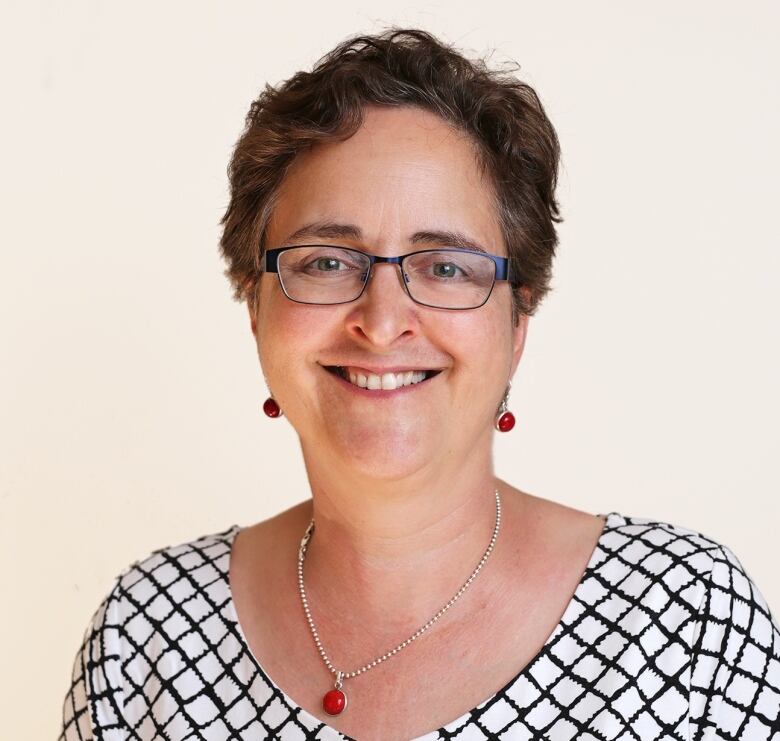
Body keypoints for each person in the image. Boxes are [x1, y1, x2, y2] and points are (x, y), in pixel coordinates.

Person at [60, 28, 780, 741]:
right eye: (327, 262)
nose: (382, 321)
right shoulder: (144, 638)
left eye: (444, 267)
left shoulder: (685, 628)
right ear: (256, 306)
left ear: (517, 318)